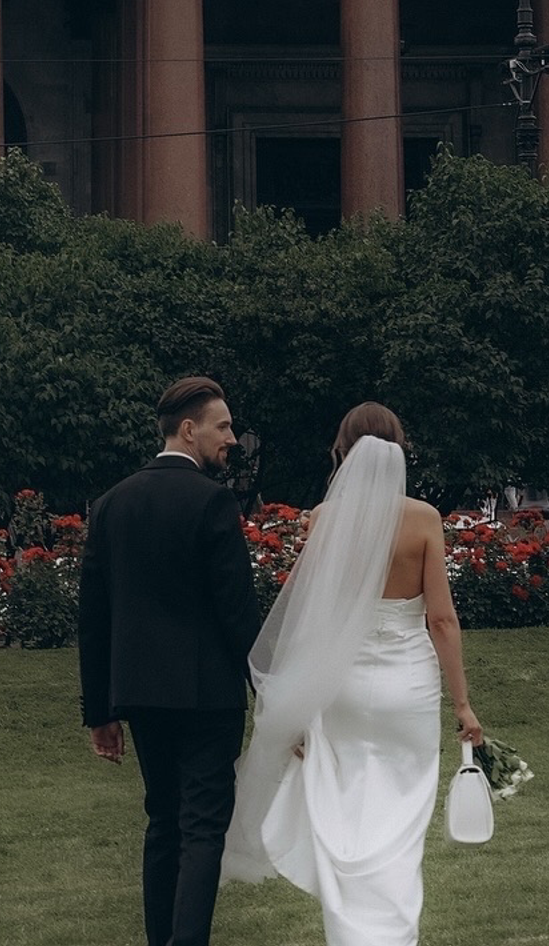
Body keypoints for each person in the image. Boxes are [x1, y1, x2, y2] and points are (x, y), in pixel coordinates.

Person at [224, 403, 484, 946]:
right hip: (406, 691)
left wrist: (296, 707)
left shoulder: (326, 519)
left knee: (342, 820)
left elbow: (307, 619)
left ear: (343, 452)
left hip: (338, 688)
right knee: (399, 826)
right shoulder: (423, 519)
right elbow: (440, 619)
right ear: (399, 449)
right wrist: (462, 705)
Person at [79, 377, 261, 946]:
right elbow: (236, 610)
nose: (232, 438)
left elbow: (95, 616)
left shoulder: (112, 503)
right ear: (190, 430)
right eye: (224, 426)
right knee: (202, 829)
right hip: (208, 695)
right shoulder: (212, 501)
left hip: (139, 692)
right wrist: (271, 687)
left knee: (163, 824)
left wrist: (99, 710)